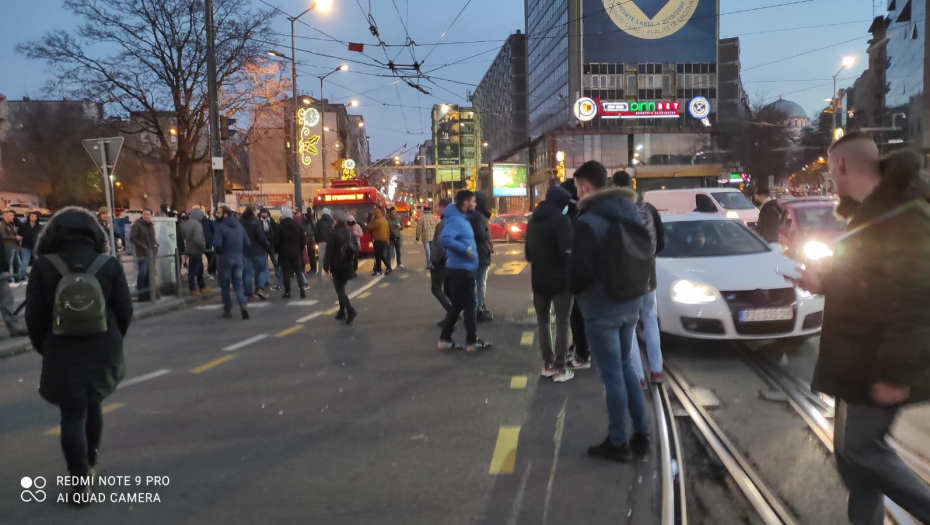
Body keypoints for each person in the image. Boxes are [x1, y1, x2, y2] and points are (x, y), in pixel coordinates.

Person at [790, 133, 930, 524]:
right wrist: (824, 283)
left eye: (831, 171)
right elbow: (868, 281)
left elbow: (918, 302)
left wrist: (895, 372)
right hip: (852, 363)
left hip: (878, 361)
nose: (832, 181)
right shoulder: (868, 215)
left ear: (842, 165)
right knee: (853, 464)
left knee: (862, 450)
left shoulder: (906, 215)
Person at [25, 207, 133, 503]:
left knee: (71, 414)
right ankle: (92, 459)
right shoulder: (107, 263)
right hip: (102, 346)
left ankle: (78, 479)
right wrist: (112, 339)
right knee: (94, 402)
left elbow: (33, 317)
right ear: (95, 233)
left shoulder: (45, 266)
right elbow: (125, 310)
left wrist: (44, 346)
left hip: (61, 348)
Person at [569, 160, 651, 462]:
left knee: (612, 374)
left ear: (586, 186)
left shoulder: (588, 222)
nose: (576, 193)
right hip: (630, 302)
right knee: (626, 366)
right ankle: (642, 431)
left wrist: (574, 287)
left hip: (601, 308)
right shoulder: (630, 212)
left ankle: (618, 442)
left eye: (577, 187)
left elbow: (580, 273)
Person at [613, 170, 667, 387]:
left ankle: (638, 376)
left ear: (617, 187)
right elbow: (661, 242)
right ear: (632, 185)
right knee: (651, 321)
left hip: (627, 276)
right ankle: (656, 370)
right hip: (648, 274)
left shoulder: (617, 212)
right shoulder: (650, 209)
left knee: (629, 326)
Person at [526, 185, 574, 383]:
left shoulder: (532, 222)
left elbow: (528, 255)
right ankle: (561, 368)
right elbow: (567, 250)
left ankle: (547, 364)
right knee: (562, 323)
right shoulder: (562, 221)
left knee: (543, 321)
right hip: (561, 281)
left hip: (539, 280)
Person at [438, 190, 492, 353]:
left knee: (459, 305)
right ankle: (471, 341)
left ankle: (445, 339)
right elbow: (445, 239)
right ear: (466, 202)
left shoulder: (461, 218)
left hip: (461, 268)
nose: (475, 205)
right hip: (461, 268)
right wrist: (464, 249)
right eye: (473, 201)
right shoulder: (456, 219)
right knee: (470, 304)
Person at [561, 178, 591, 371]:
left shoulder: (578, 215)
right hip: (584, 274)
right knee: (578, 314)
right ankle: (581, 348)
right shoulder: (580, 212)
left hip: (581, 274)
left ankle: (582, 353)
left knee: (578, 314)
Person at [212, 206, 250, 320]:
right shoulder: (239, 226)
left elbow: (217, 244)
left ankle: (227, 309)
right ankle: (242, 304)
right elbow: (247, 242)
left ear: (225, 214)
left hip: (224, 258)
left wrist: (219, 252)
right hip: (238, 258)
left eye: (218, 213)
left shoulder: (220, 226)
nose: (215, 215)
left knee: (225, 285)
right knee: (238, 284)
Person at [323, 210, 358, 324]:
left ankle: (350, 310)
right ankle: (341, 311)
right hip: (348, 264)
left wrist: (326, 267)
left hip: (337, 264)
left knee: (340, 290)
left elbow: (329, 251)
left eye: (334, 219)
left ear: (336, 220)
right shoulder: (350, 232)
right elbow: (355, 248)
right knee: (342, 288)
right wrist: (355, 265)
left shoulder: (333, 233)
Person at [469, 191, 494, 322]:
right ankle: (478, 310)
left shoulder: (473, 216)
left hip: (476, 254)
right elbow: (481, 234)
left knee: (476, 283)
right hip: (481, 254)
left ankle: (477, 308)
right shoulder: (478, 217)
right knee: (480, 283)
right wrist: (486, 234)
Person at [429, 199, 453, 325]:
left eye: (437, 206)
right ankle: (454, 312)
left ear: (443, 207)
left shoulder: (443, 223)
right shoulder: (453, 221)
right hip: (451, 260)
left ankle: (452, 312)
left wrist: (434, 260)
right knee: (448, 288)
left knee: (436, 287)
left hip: (442, 261)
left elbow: (439, 245)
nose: (436, 209)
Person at [275, 207, 307, 299]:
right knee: (298, 271)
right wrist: (299, 249)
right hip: (296, 252)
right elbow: (303, 240)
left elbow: (276, 241)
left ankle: (288, 292)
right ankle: (301, 289)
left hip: (284, 253)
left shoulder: (279, 227)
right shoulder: (298, 226)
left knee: (286, 273)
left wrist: (278, 250)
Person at [240, 206, 270, 301]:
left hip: (246, 251)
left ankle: (248, 293)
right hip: (258, 251)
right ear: (253, 212)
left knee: (248, 272)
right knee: (261, 270)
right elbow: (261, 237)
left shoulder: (241, 223)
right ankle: (260, 288)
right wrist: (267, 245)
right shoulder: (256, 223)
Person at [129, 209, 157, 301]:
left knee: (149, 274)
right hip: (142, 253)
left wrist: (155, 246)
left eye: (148, 214)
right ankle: (141, 294)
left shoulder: (150, 226)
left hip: (151, 253)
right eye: (144, 214)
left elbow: (152, 238)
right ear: (142, 215)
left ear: (151, 215)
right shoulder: (137, 225)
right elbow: (132, 238)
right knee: (143, 274)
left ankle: (149, 293)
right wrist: (143, 246)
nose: (146, 216)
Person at [181, 208, 209, 297]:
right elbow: (198, 239)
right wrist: (203, 247)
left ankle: (202, 286)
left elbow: (184, 235)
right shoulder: (197, 225)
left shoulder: (187, 223)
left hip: (189, 248)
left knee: (199, 268)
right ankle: (192, 289)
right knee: (194, 270)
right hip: (196, 249)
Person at [259, 208, 283, 291]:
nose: (264, 214)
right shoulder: (259, 222)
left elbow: (275, 231)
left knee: (276, 263)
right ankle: (266, 280)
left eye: (265, 213)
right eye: (262, 213)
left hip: (272, 245)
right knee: (264, 263)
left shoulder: (271, 221)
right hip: (263, 246)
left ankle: (280, 279)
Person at [18, 211, 42, 278]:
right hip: (25, 246)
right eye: (32, 216)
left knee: (37, 262)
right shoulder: (23, 225)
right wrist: (19, 244)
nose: (33, 218)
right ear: (29, 217)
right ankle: (21, 277)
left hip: (36, 247)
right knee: (25, 262)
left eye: (35, 216)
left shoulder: (39, 226)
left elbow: (43, 236)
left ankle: (37, 276)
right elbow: (18, 235)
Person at [367, 208, 391, 276]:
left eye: (374, 214)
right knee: (380, 255)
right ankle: (382, 268)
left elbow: (369, 227)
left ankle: (382, 268)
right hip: (384, 240)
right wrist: (387, 240)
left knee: (378, 256)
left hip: (378, 241)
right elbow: (388, 231)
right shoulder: (384, 220)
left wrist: (371, 220)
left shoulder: (376, 222)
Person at [1, 209, 22, 284]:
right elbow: (3, 236)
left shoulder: (10, 224)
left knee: (17, 263)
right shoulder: (2, 224)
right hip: (8, 246)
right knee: (10, 264)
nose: (12, 217)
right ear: (5, 215)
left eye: (13, 215)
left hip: (14, 245)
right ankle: (10, 280)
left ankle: (17, 279)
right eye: (10, 215)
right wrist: (15, 237)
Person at [314, 208, 334, 276]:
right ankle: (332, 273)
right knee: (331, 258)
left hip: (321, 242)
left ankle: (319, 272)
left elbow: (316, 233)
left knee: (321, 258)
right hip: (330, 242)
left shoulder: (319, 222)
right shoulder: (332, 221)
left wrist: (317, 241)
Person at [416, 205, 438, 270]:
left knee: (428, 250)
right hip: (433, 236)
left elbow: (419, 228)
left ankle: (429, 264)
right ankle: (433, 263)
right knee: (432, 250)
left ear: (424, 211)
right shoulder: (434, 217)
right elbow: (437, 226)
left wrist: (417, 236)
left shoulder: (422, 218)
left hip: (425, 237)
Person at [203, 209, 216, 279]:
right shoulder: (210, 222)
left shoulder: (200, 223)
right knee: (211, 256)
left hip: (204, 241)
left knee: (209, 256)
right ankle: (211, 270)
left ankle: (211, 270)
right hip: (209, 241)